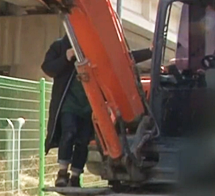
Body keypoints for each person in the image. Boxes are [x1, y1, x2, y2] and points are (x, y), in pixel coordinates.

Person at [42, 36, 153, 187]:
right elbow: (48, 68)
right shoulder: (60, 46)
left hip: (91, 103)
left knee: (83, 140)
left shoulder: (96, 47)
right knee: (69, 131)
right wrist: (66, 57)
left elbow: (122, 58)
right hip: (69, 102)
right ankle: (62, 172)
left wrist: (150, 52)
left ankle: (75, 176)